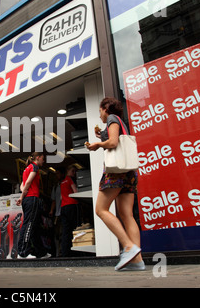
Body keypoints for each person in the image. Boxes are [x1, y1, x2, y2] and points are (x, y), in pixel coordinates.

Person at [86, 97, 144, 271]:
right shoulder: (120, 121)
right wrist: (102, 135)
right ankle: (137, 261)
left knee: (100, 209)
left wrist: (97, 144)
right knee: (127, 215)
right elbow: (114, 137)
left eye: (99, 111)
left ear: (105, 108)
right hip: (128, 172)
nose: (100, 116)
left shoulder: (111, 118)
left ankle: (128, 246)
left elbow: (113, 143)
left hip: (116, 172)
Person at [16, 152, 51, 259]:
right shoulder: (34, 167)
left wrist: (23, 196)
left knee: (34, 227)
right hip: (32, 199)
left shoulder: (26, 169)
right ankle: (22, 253)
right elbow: (27, 183)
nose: (43, 161)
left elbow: (22, 185)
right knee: (29, 225)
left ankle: (41, 253)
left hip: (28, 200)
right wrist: (21, 197)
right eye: (42, 159)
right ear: (38, 158)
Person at [60, 164, 79, 257]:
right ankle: (75, 250)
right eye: (73, 171)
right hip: (72, 205)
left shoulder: (62, 182)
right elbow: (75, 192)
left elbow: (60, 197)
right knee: (75, 228)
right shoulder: (70, 179)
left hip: (63, 207)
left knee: (65, 230)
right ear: (68, 171)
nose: (74, 173)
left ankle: (65, 252)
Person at [49, 167, 64, 257]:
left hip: (64, 212)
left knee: (63, 233)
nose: (56, 176)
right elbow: (54, 200)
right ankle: (58, 253)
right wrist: (51, 210)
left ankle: (62, 252)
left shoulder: (66, 183)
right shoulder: (55, 187)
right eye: (56, 174)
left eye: (58, 173)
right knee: (57, 234)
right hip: (57, 214)